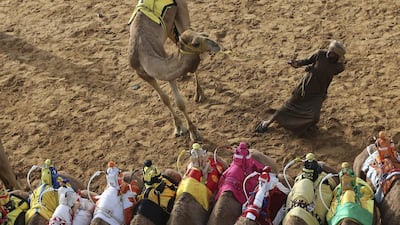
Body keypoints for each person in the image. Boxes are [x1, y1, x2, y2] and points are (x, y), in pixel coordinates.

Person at [255, 40, 346, 136]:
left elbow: (326, 71)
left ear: (337, 56)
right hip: (304, 88)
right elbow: (307, 61)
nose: (328, 53)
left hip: (318, 93)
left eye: (331, 53)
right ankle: (266, 123)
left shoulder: (339, 67)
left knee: (314, 117)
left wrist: (313, 69)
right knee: (287, 107)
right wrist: (297, 64)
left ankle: (304, 127)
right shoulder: (320, 54)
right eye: (329, 50)